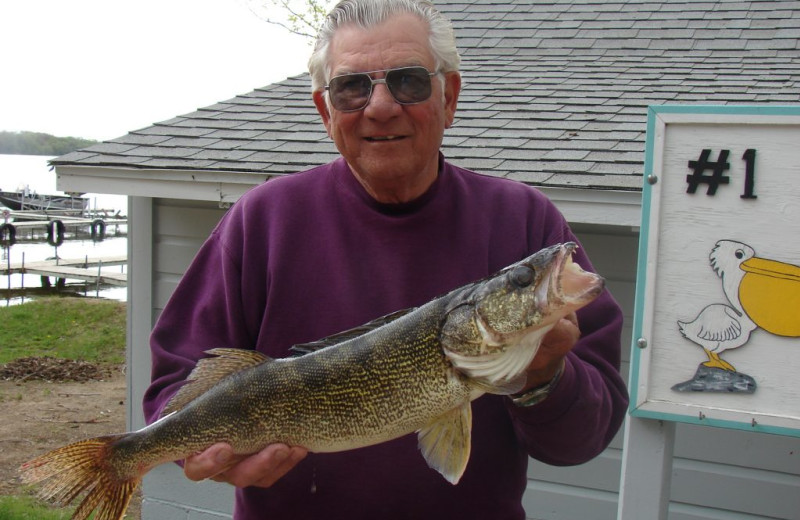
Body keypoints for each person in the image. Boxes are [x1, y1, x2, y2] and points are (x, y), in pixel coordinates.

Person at [143, 1, 629, 518]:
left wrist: (545, 376)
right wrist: (207, 456)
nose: (380, 106)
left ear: (450, 97)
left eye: (409, 82)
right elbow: (174, 393)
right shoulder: (261, 221)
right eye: (351, 88)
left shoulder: (524, 220)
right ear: (325, 110)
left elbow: (583, 439)